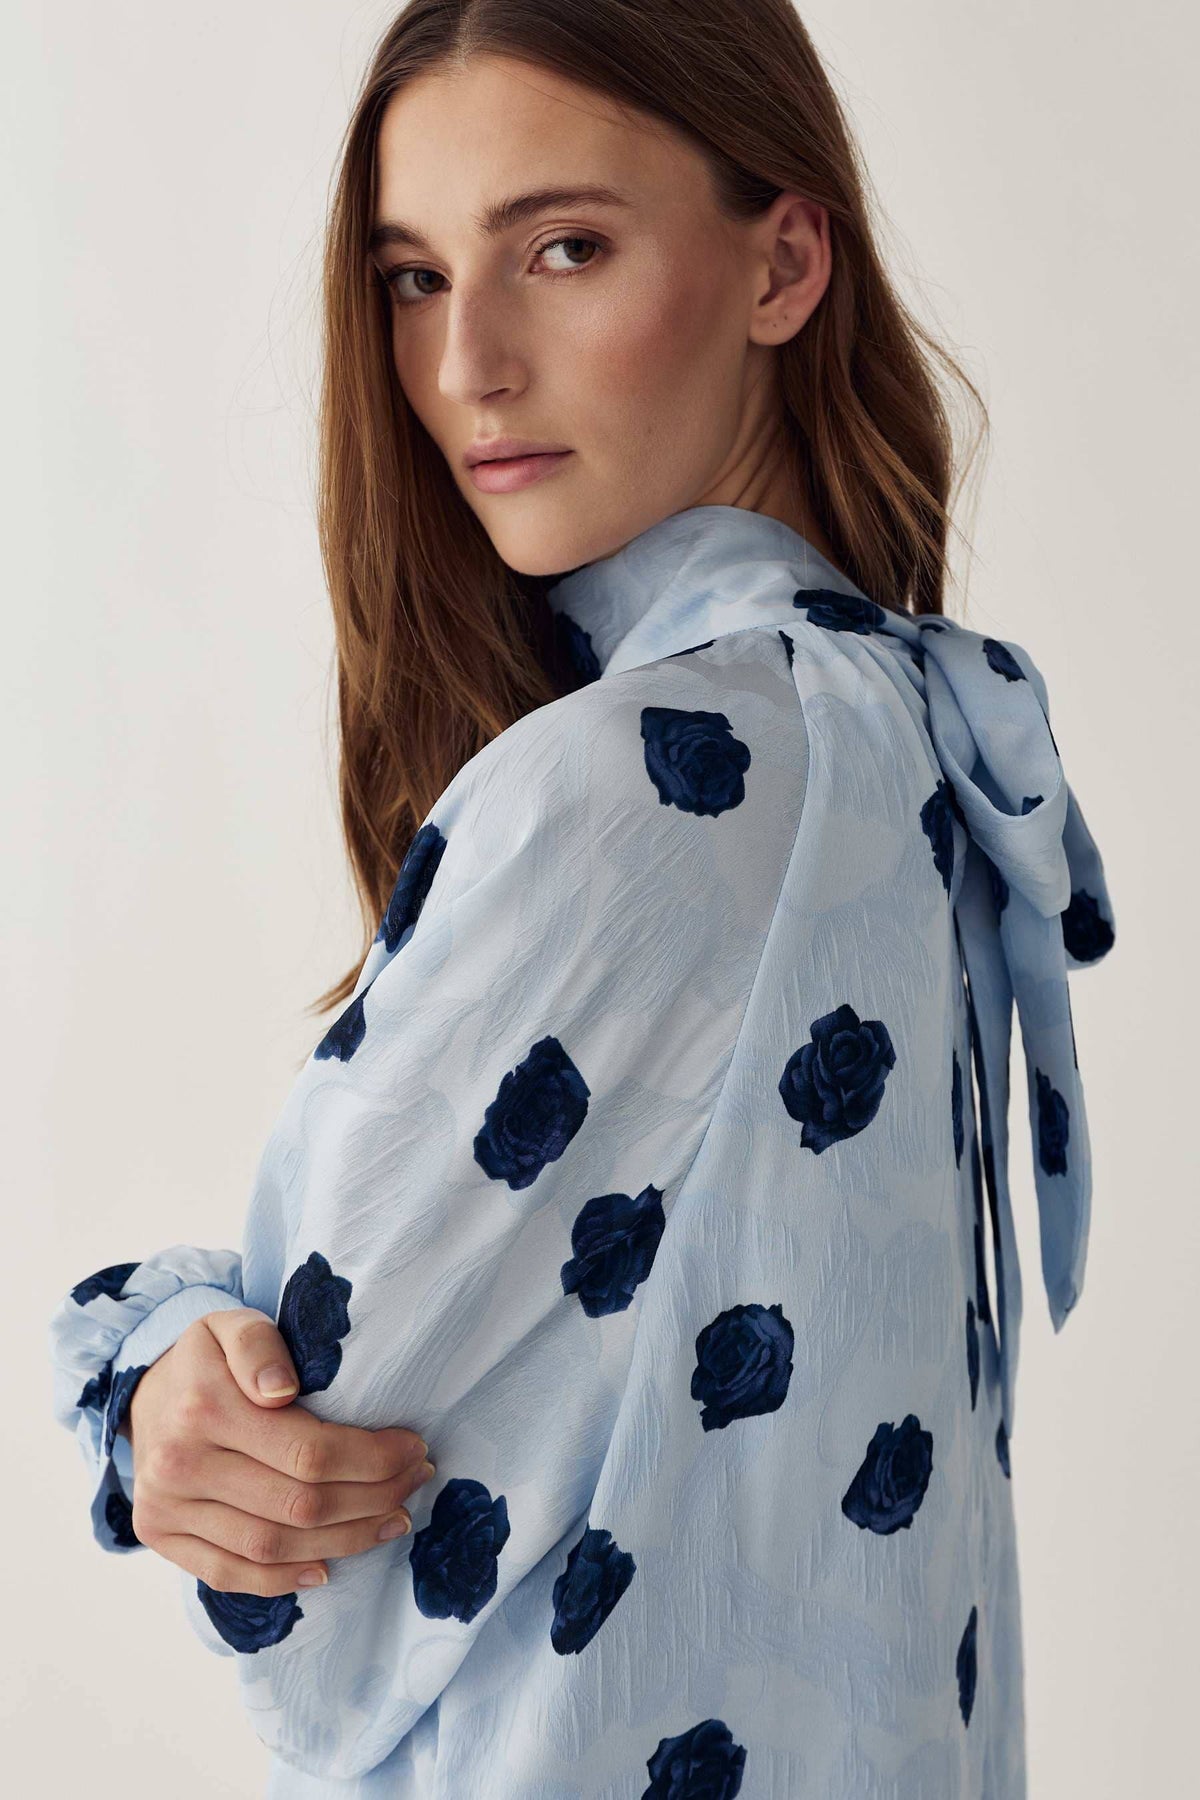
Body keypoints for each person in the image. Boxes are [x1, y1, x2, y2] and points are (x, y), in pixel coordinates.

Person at [47, 3, 1117, 1795]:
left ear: (783, 264)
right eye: (412, 278)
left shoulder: (651, 784)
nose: (467, 362)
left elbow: (313, 1575)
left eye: (563, 249)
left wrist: (144, 1359)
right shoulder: (899, 738)